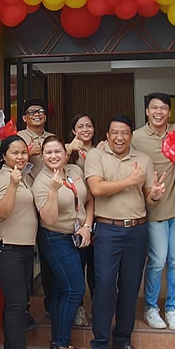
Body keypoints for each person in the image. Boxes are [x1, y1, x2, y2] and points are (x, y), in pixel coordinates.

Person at [84, 115, 166, 349]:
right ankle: (100, 347)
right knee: (105, 286)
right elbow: (96, 189)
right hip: (108, 229)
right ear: (107, 135)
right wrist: (130, 181)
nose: (120, 137)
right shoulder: (97, 156)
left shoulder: (143, 159)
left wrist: (154, 195)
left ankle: (122, 341)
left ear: (131, 135)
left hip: (137, 230)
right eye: (115, 133)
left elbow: (148, 196)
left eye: (125, 133)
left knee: (130, 288)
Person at [132, 93, 175, 332]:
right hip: (153, 208)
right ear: (147, 111)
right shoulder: (136, 137)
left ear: (169, 112)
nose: (159, 112)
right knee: (157, 261)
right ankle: (151, 308)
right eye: (154, 108)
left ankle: (172, 309)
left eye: (163, 108)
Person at [33, 135, 93, 349]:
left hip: (78, 236)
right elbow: (48, 218)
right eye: (48, 152)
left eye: (57, 151)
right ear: (42, 156)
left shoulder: (75, 170)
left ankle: (57, 344)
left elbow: (89, 200)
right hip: (56, 238)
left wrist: (87, 226)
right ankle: (62, 344)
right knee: (75, 289)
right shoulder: (42, 182)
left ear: (66, 154)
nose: (53, 156)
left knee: (61, 291)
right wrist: (53, 190)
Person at [0, 135, 42, 349]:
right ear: (4, 156)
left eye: (23, 152)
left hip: (24, 248)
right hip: (5, 247)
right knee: (17, 304)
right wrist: (12, 184)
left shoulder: (26, 176)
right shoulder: (3, 176)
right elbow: (2, 211)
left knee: (18, 301)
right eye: (14, 153)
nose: (20, 157)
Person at [66, 112, 97, 325]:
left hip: (100, 215)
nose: (85, 130)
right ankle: (78, 308)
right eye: (80, 126)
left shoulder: (102, 150)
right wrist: (69, 149)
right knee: (78, 264)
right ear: (73, 131)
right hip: (76, 216)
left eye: (89, 125)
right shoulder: (68, 153)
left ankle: (96, 306)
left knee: (97, 267)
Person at [18, 98, 50, 177]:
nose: (36, 114)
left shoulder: (52, 138)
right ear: (24, 118)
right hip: (25, 182)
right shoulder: (18, 137)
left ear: (45, 117)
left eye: (40, 111)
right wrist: (29, 154)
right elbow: (11, 164)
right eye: (31, 112)